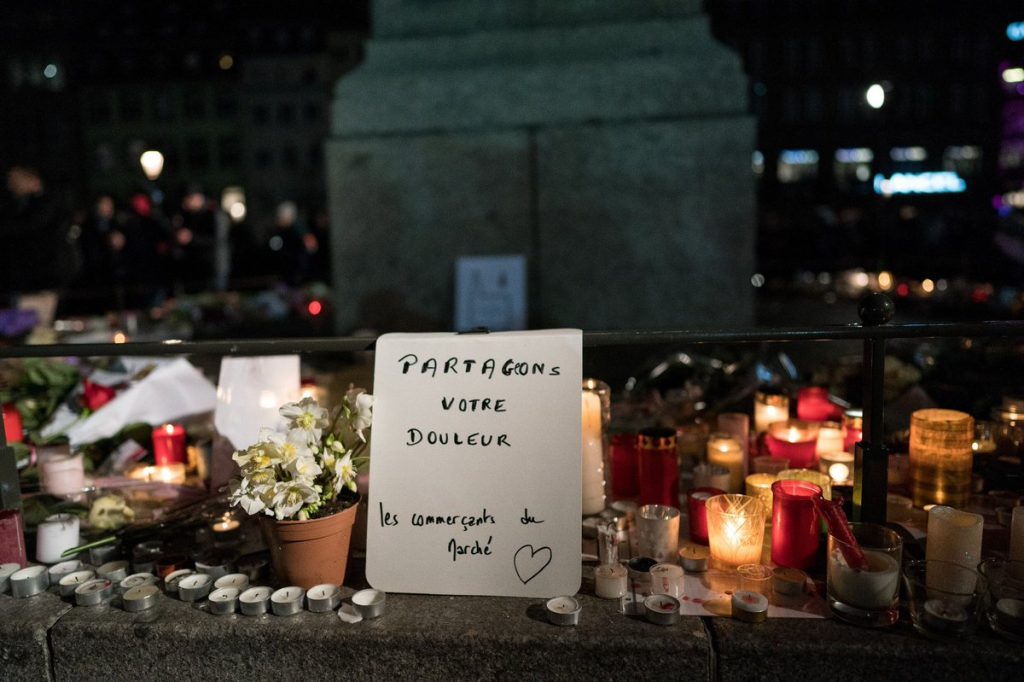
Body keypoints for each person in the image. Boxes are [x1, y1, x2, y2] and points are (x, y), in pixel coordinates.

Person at [0, 165, 80, 300]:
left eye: (15, 181)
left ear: (32, 180)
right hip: (27, 276)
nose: (10, 186)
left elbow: (30, 227)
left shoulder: (47, 202)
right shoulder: (17, 205)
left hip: (47, 273)